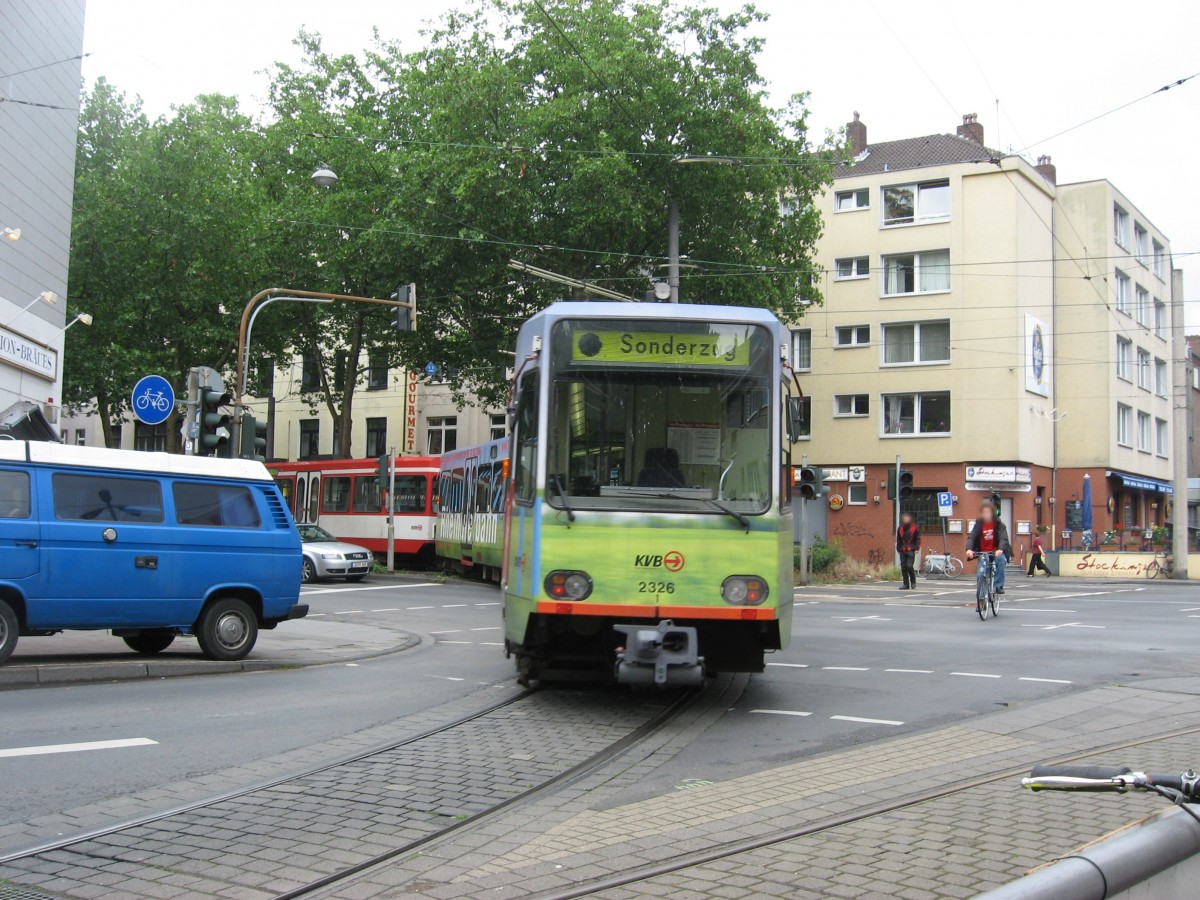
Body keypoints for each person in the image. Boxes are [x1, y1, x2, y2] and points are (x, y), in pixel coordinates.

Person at [965, 501, 1011, 597]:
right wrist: (969, 549)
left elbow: (1003, 537)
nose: (986, 514)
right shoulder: (979, 524)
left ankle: (998, 586)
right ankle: (981, 600)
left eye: (988, 512)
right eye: (984, 512)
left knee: (1001, 560)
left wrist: (1000, 549)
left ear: (992, 513)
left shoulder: (999, 524)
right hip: (983, 552)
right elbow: (972, 536)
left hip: (996, 552)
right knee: (980, 575)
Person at [896, 513, 921, 590]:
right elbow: (898, 539)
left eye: (907, 518)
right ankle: (905, 584)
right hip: (903, 550)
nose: (906, 520)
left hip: (911, 550)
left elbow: (918, 538)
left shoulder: (915, 528)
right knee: (903, 568)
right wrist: (898, 548)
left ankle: (913, 581)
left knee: (909, 566)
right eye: (904, 518)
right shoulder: (900, 528)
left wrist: (916, 548)